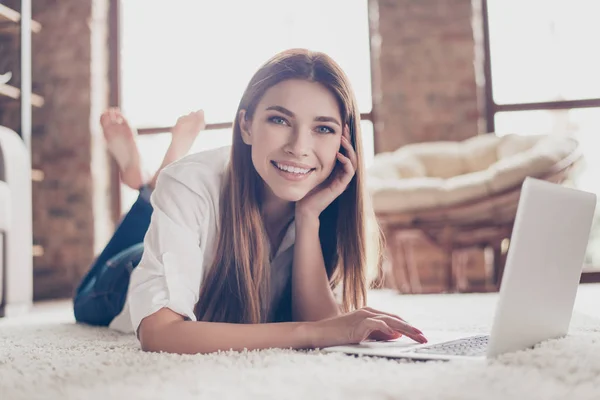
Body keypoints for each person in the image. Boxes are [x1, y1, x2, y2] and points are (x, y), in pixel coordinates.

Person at [73, 49, 428, 354]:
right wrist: (312, 333)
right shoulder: (191, 182)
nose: (299, 147)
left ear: (344, 142)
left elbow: (322, 323)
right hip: (122, 279)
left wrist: (308, 218)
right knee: (85, 298)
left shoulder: (323, 203)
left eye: (323, 128)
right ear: (245, 125)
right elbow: (159, 332)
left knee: (167, 193)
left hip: (186, 220)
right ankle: (150, 189)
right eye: (279, 120)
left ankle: (152, 187)